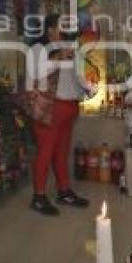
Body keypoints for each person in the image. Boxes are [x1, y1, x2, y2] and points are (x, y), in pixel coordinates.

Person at [28, 13, 91, 216]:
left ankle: (64, 191)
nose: (65, 31)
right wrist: (58, 57)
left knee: (62, 152)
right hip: (50, 108)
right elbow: (37, 73)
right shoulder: (38, 49)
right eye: (62, 27)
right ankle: (38, 196)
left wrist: (89, 87)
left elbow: (78, 75)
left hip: (69, 107)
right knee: (45, 152)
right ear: (50, 30)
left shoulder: (69, 47)